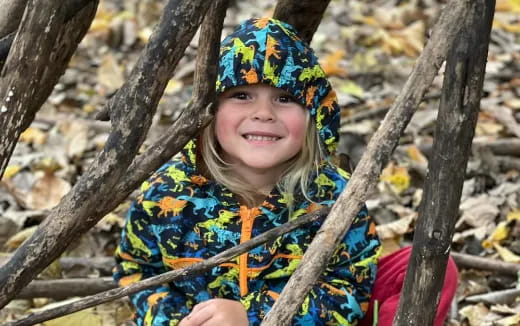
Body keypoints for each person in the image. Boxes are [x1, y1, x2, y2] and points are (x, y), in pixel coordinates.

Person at [113, 17, 457, 326]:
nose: (263, 113)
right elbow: (137, 271)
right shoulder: (167, 192)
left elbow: (349, 285)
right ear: (210, 111)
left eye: (284, 98)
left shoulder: (331, 194)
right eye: (242, 95)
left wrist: (251, 317)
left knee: (428, 266)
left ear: (313, 116)